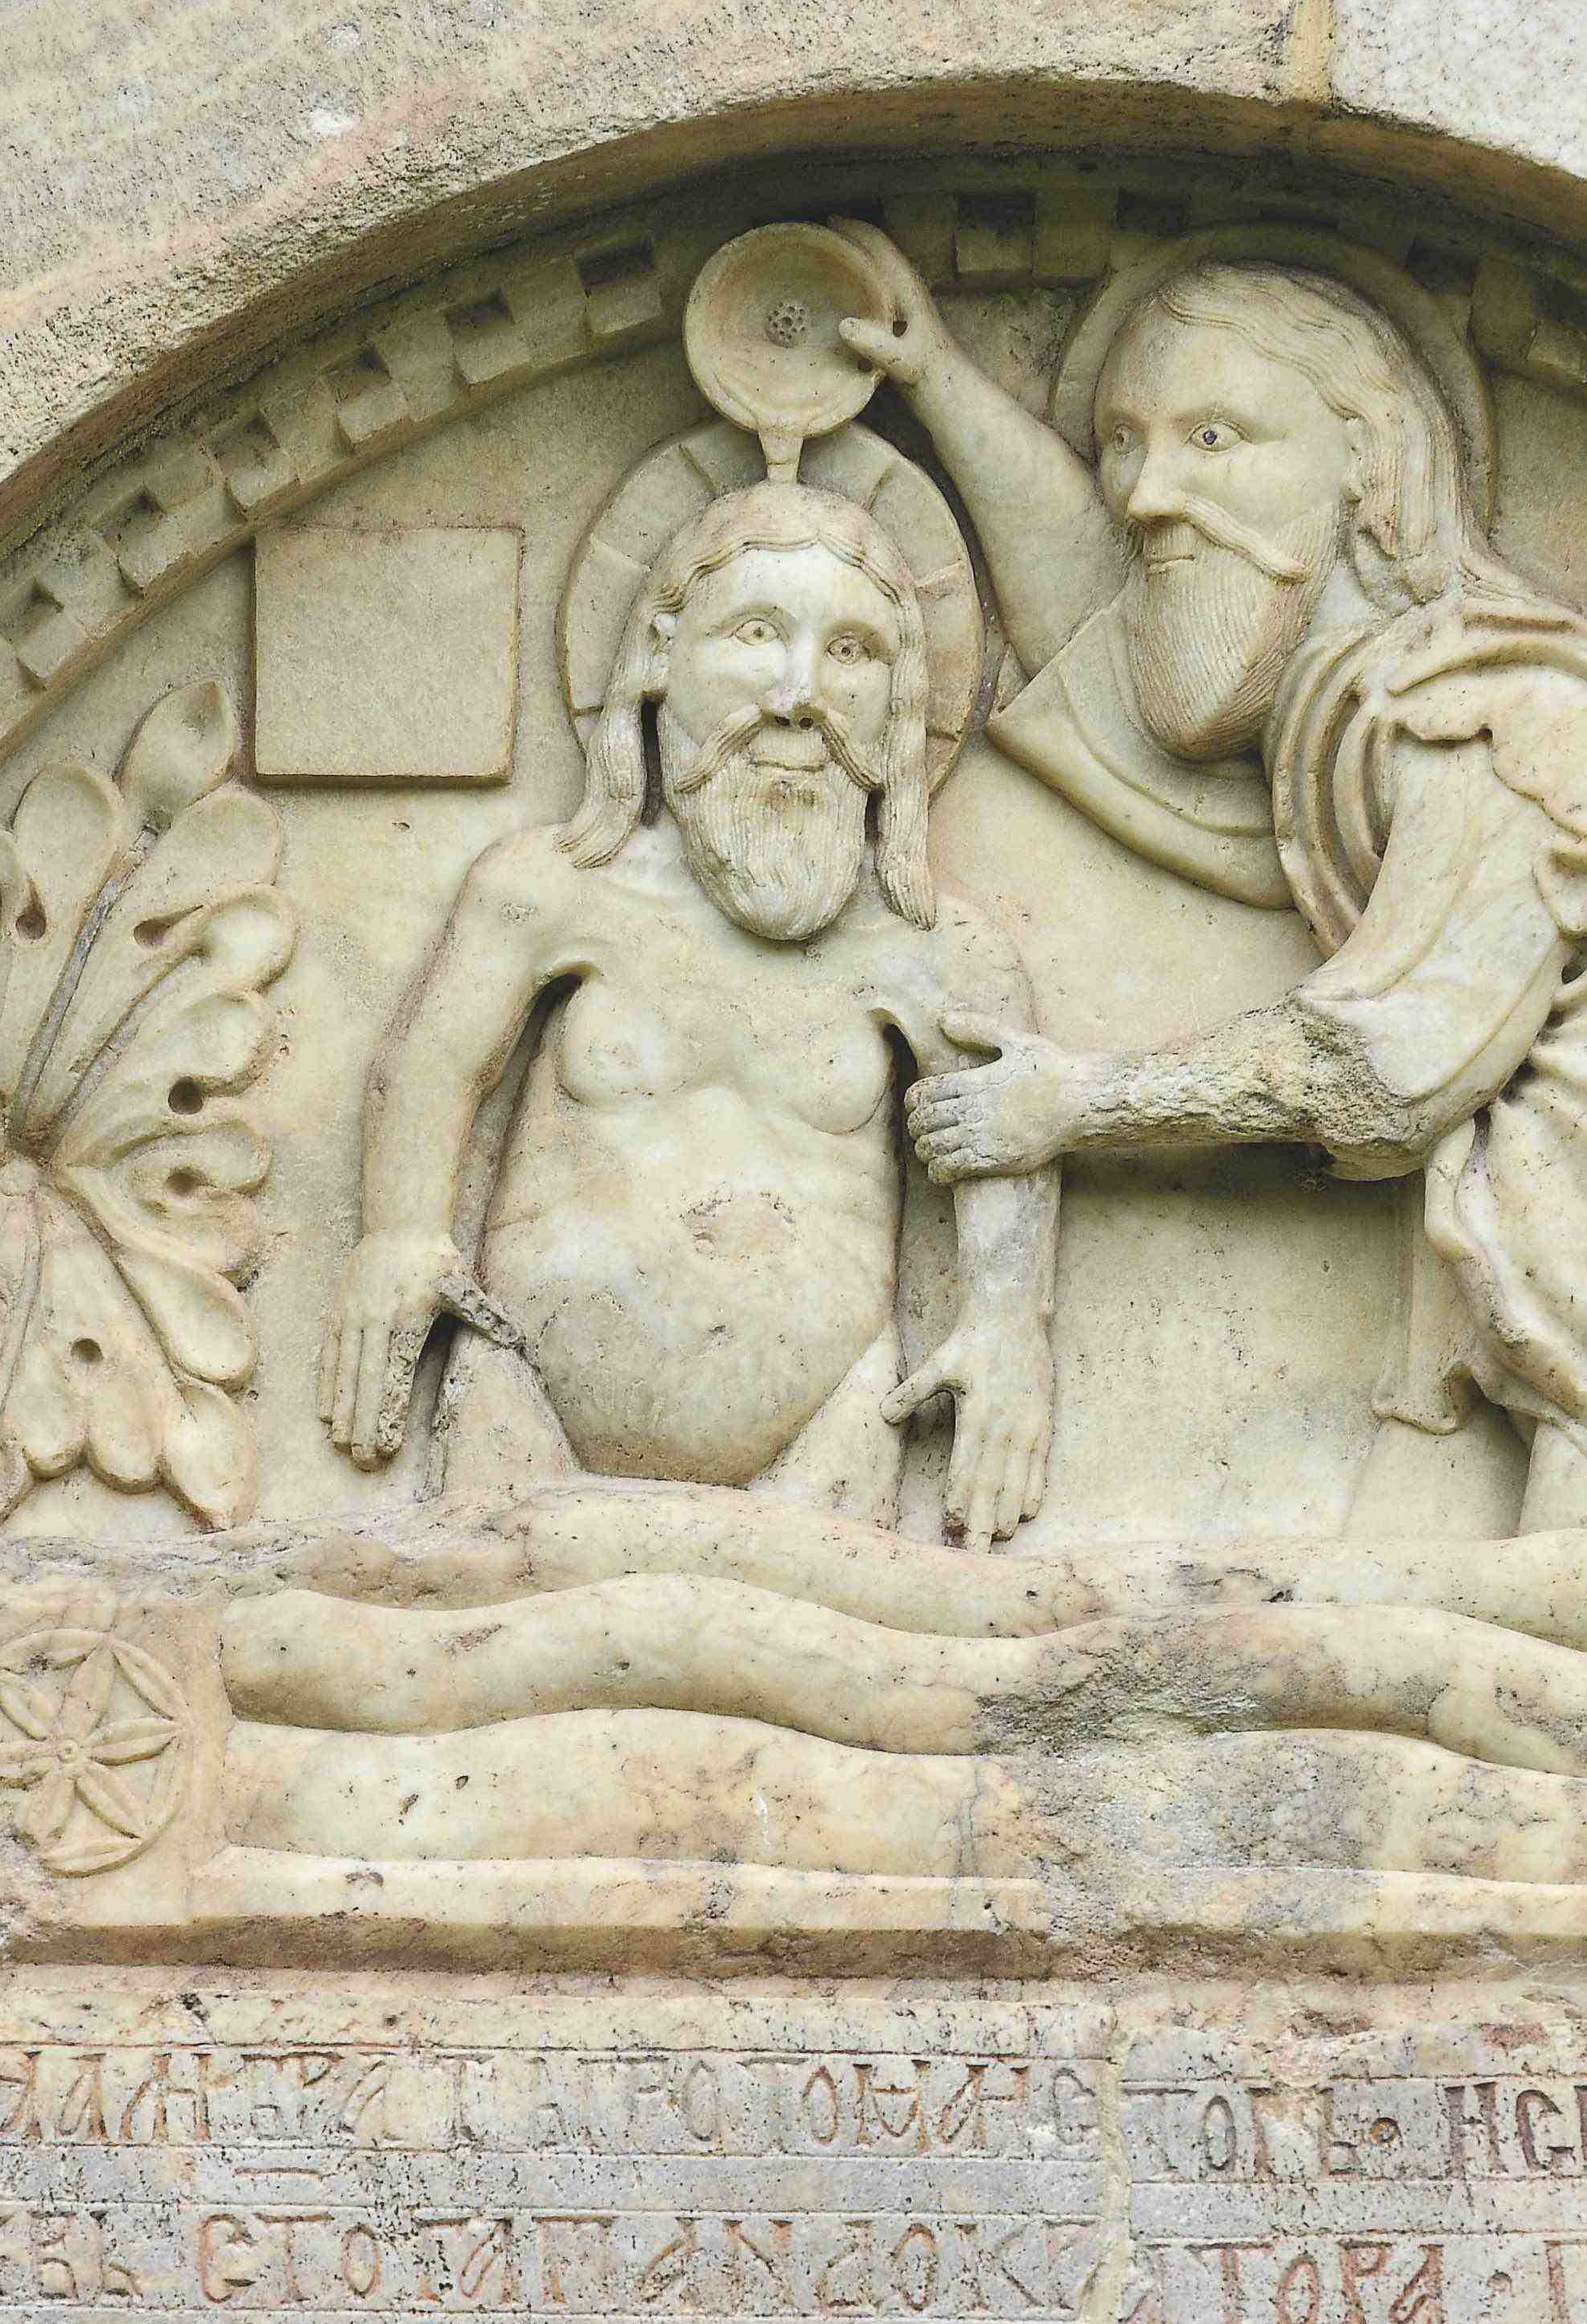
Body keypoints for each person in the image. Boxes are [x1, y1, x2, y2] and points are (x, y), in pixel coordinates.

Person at [848, 239, 1587, 1549]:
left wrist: (1072, 1105)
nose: (1146, 495)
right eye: (1122, 443)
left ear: (1369, 462)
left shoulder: (1487, 720)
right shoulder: (1339, 717)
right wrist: (933, 376)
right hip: (1526, 1294)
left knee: (1578, 1670)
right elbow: (1104, 650)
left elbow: (1377, 1073)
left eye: (1215, 436)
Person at [326, 474, 1055, 1540]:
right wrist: (396, 1238)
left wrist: (1005, 1335)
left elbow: (999, 1136)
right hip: (520, 1419)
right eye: (758, 634)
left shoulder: (939, 952)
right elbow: (432, 1065)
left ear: (899, 703)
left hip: (829, 1447)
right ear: (659, 654)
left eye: (851, 652)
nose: (799, 694)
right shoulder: (549, 888)